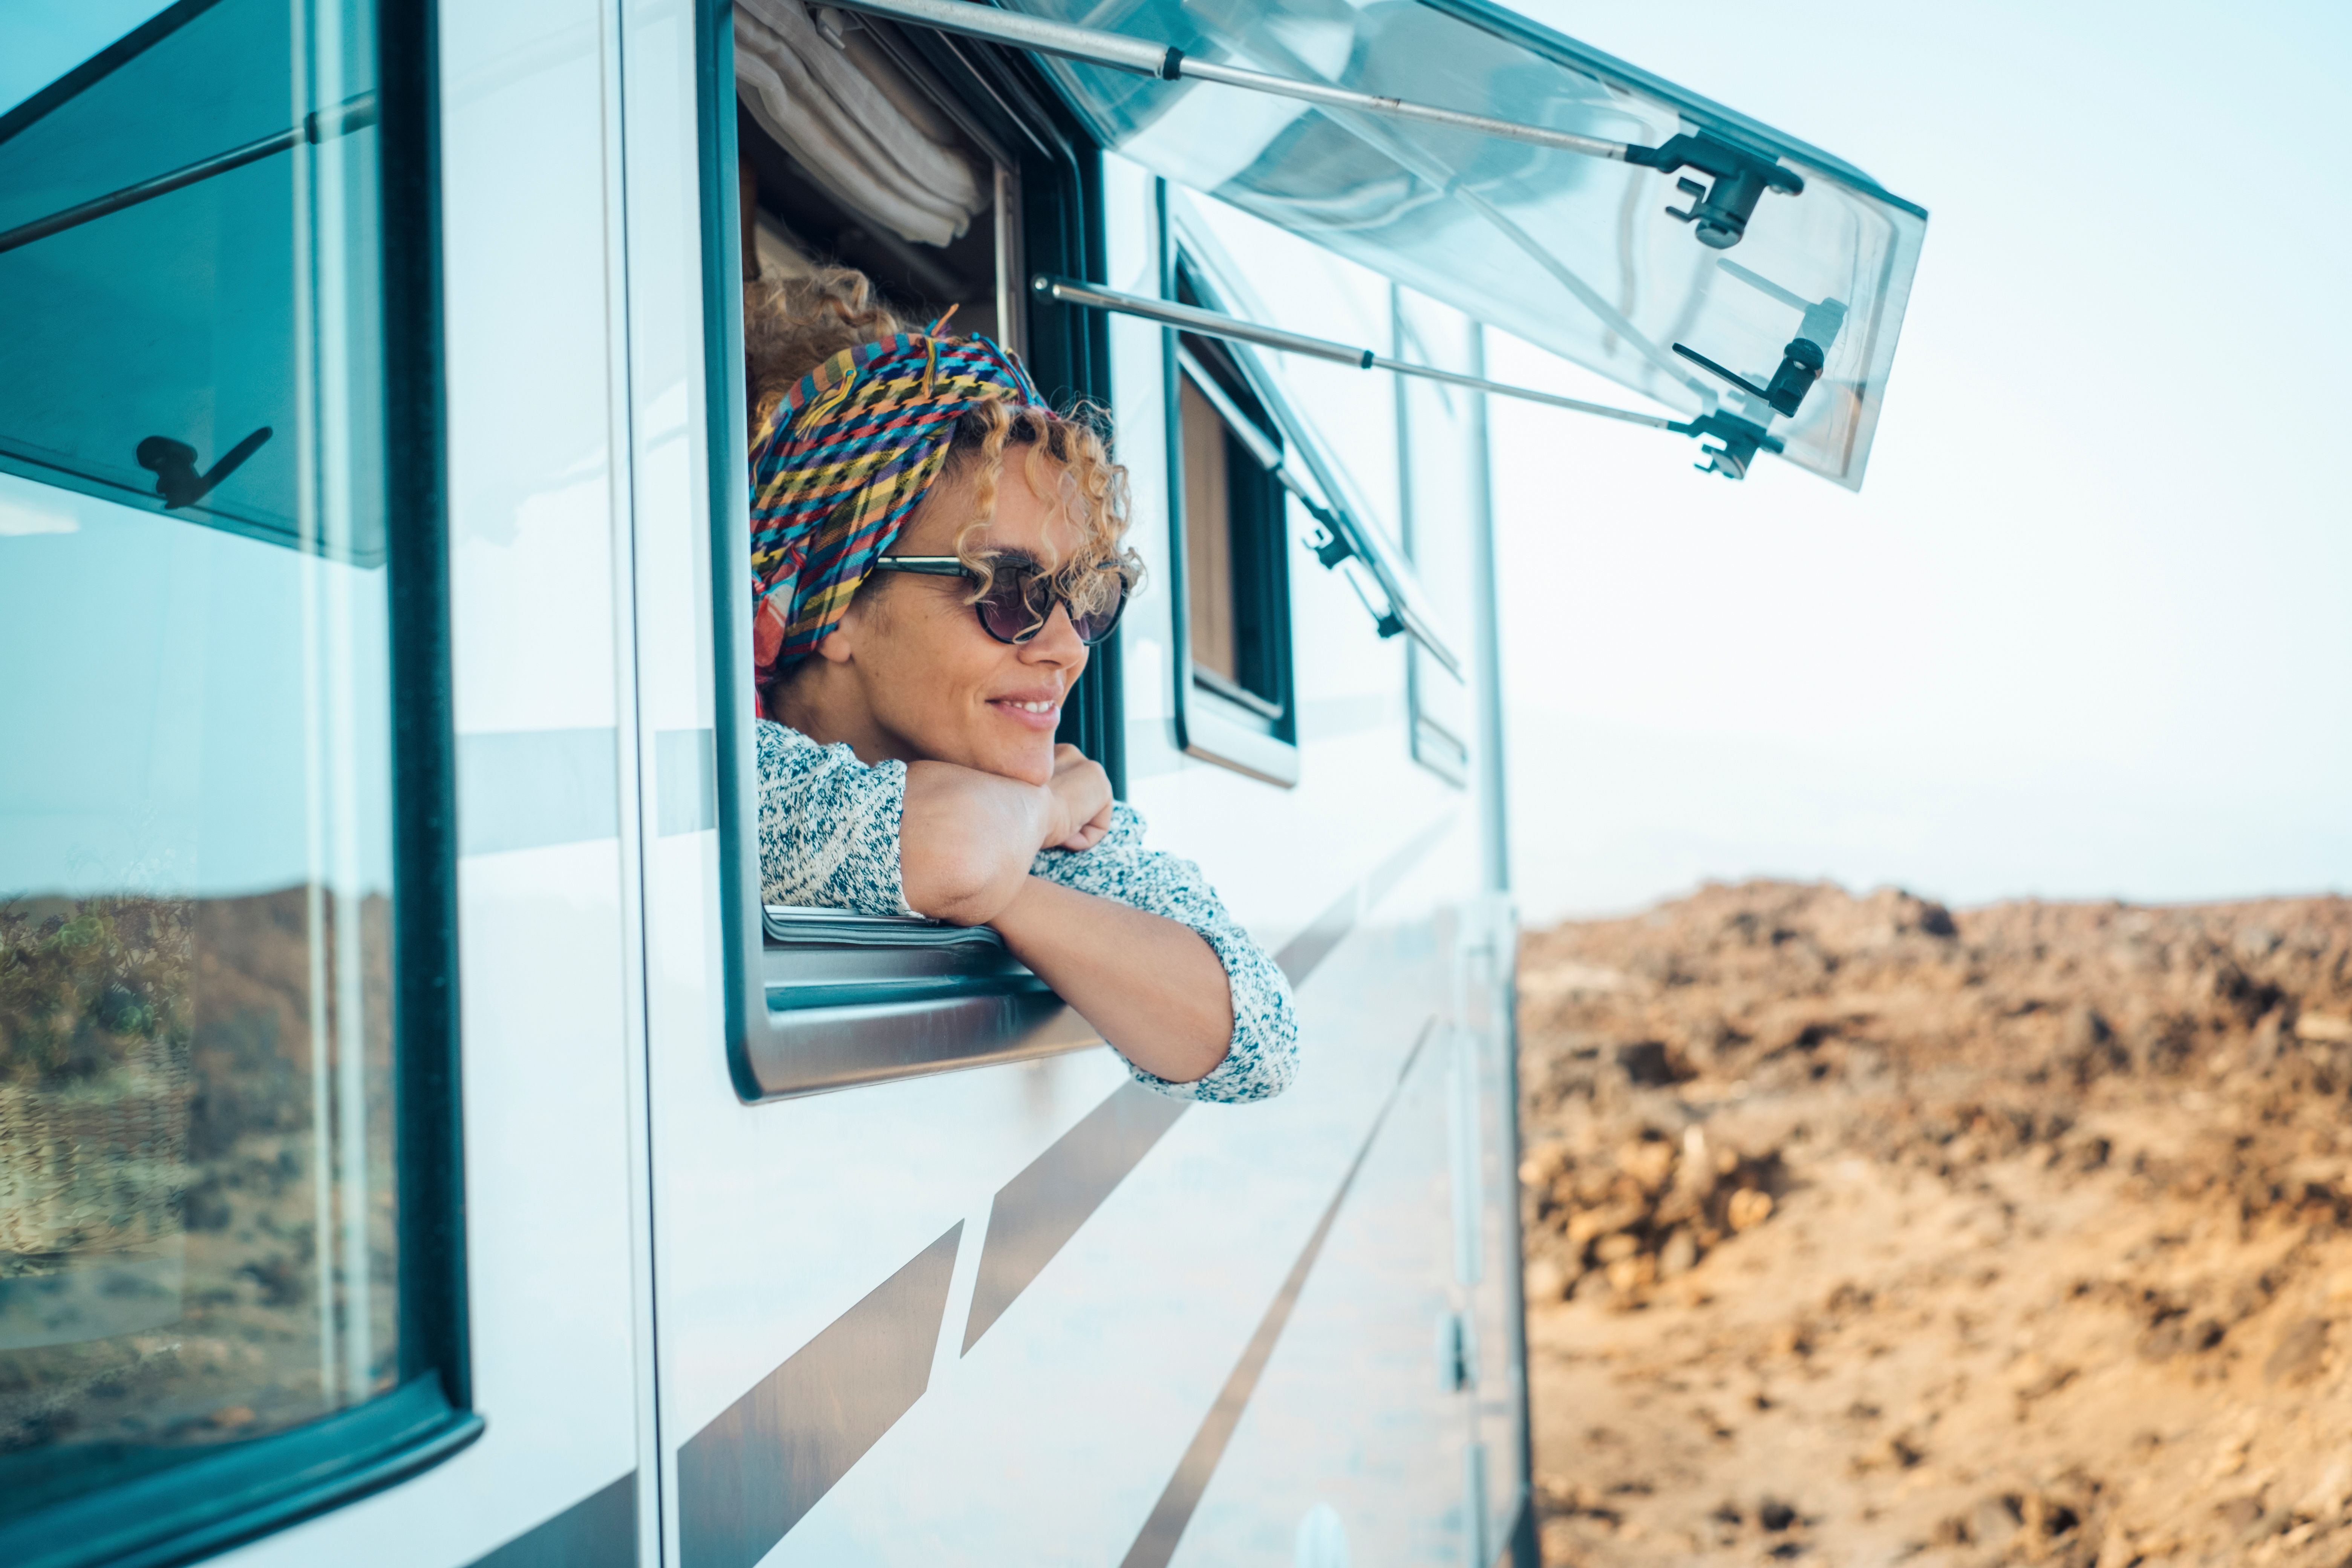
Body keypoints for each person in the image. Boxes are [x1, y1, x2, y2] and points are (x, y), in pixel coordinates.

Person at [745, 270, 1296, 1103]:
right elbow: (955, 849)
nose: (1067, 647)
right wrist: (1040, 819)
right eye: (1008, 591)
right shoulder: (735, 774)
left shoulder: (999, 795)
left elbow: (1254, 1036)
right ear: (836, 599)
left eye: (1086, 596)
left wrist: (1013, 883)